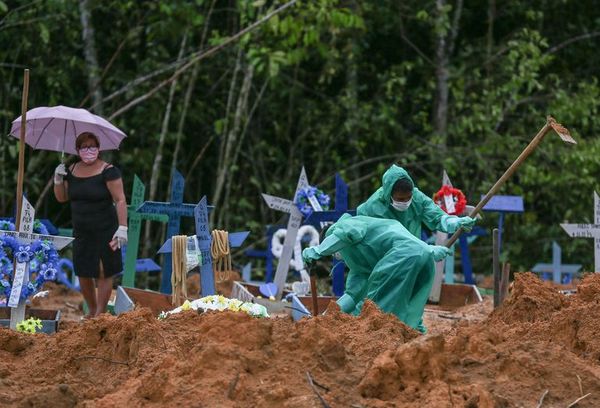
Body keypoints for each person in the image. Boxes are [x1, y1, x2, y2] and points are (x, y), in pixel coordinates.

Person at [302, 214, 452, 332]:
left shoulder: (346, 225)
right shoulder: (361, 264)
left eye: (333, 250)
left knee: (375, 311)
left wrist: (319, 250)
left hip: (403, 256)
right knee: (409, 311)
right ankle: (415, 338)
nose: (336, 255)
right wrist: (325, 318)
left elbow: (346, 233)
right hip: (421, 256)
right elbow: (351, 296)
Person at [53, 132, 128, 318]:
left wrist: (123, 227)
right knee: (83, 270)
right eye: (84, 147)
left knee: (104, 271)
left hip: (105, 228)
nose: (89, 150)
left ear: (98, 149)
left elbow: (119, 200)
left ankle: (100, 313)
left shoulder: (109, 170)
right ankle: (92, 308)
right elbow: (62, 198)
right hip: (82, 230)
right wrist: (58, 179)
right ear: (78, 150)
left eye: (92, 146)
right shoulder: (71, 170)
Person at [357, 164, 476, 239]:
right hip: (380, 260)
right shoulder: (372, 207)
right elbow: (362, 233)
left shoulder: (417, 199)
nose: (405, 202)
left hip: (411, 256)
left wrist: (454, 222)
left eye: (408, 197)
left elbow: (436, 216)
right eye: (400, 199)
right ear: (389, 194)